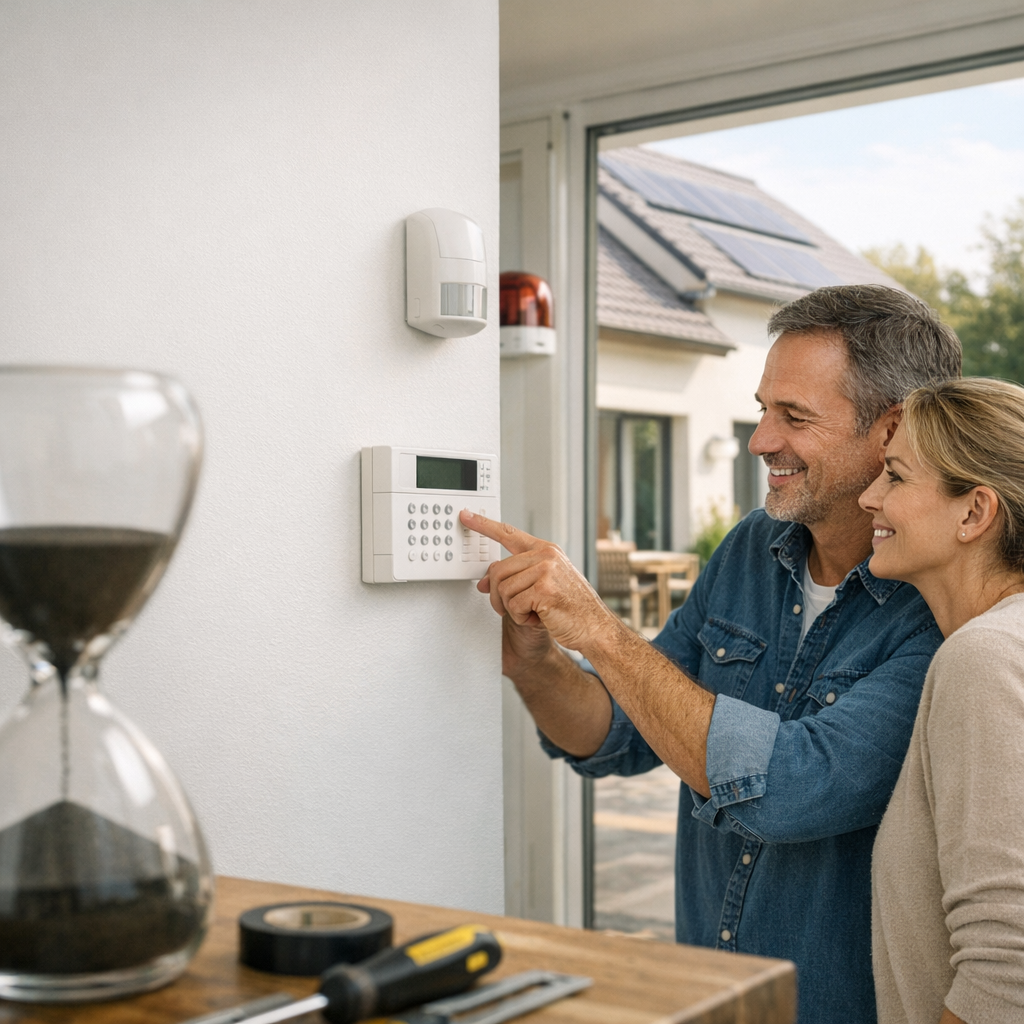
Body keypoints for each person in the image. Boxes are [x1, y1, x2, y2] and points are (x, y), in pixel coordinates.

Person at [462, 285, 962, 1024]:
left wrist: (601, 629)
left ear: (891, 429)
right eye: (763, 409)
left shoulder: (944, 608)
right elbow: (621, 734)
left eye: (794, 416)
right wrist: (537, 659)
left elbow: (785, 790)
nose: (760, 440)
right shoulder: (750, 551)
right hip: (711, 997)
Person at [860, 378, 1024, 1024]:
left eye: (895, 477)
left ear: (973, 513)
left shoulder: (982, 659)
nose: (870, 498)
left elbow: (1006, 975)